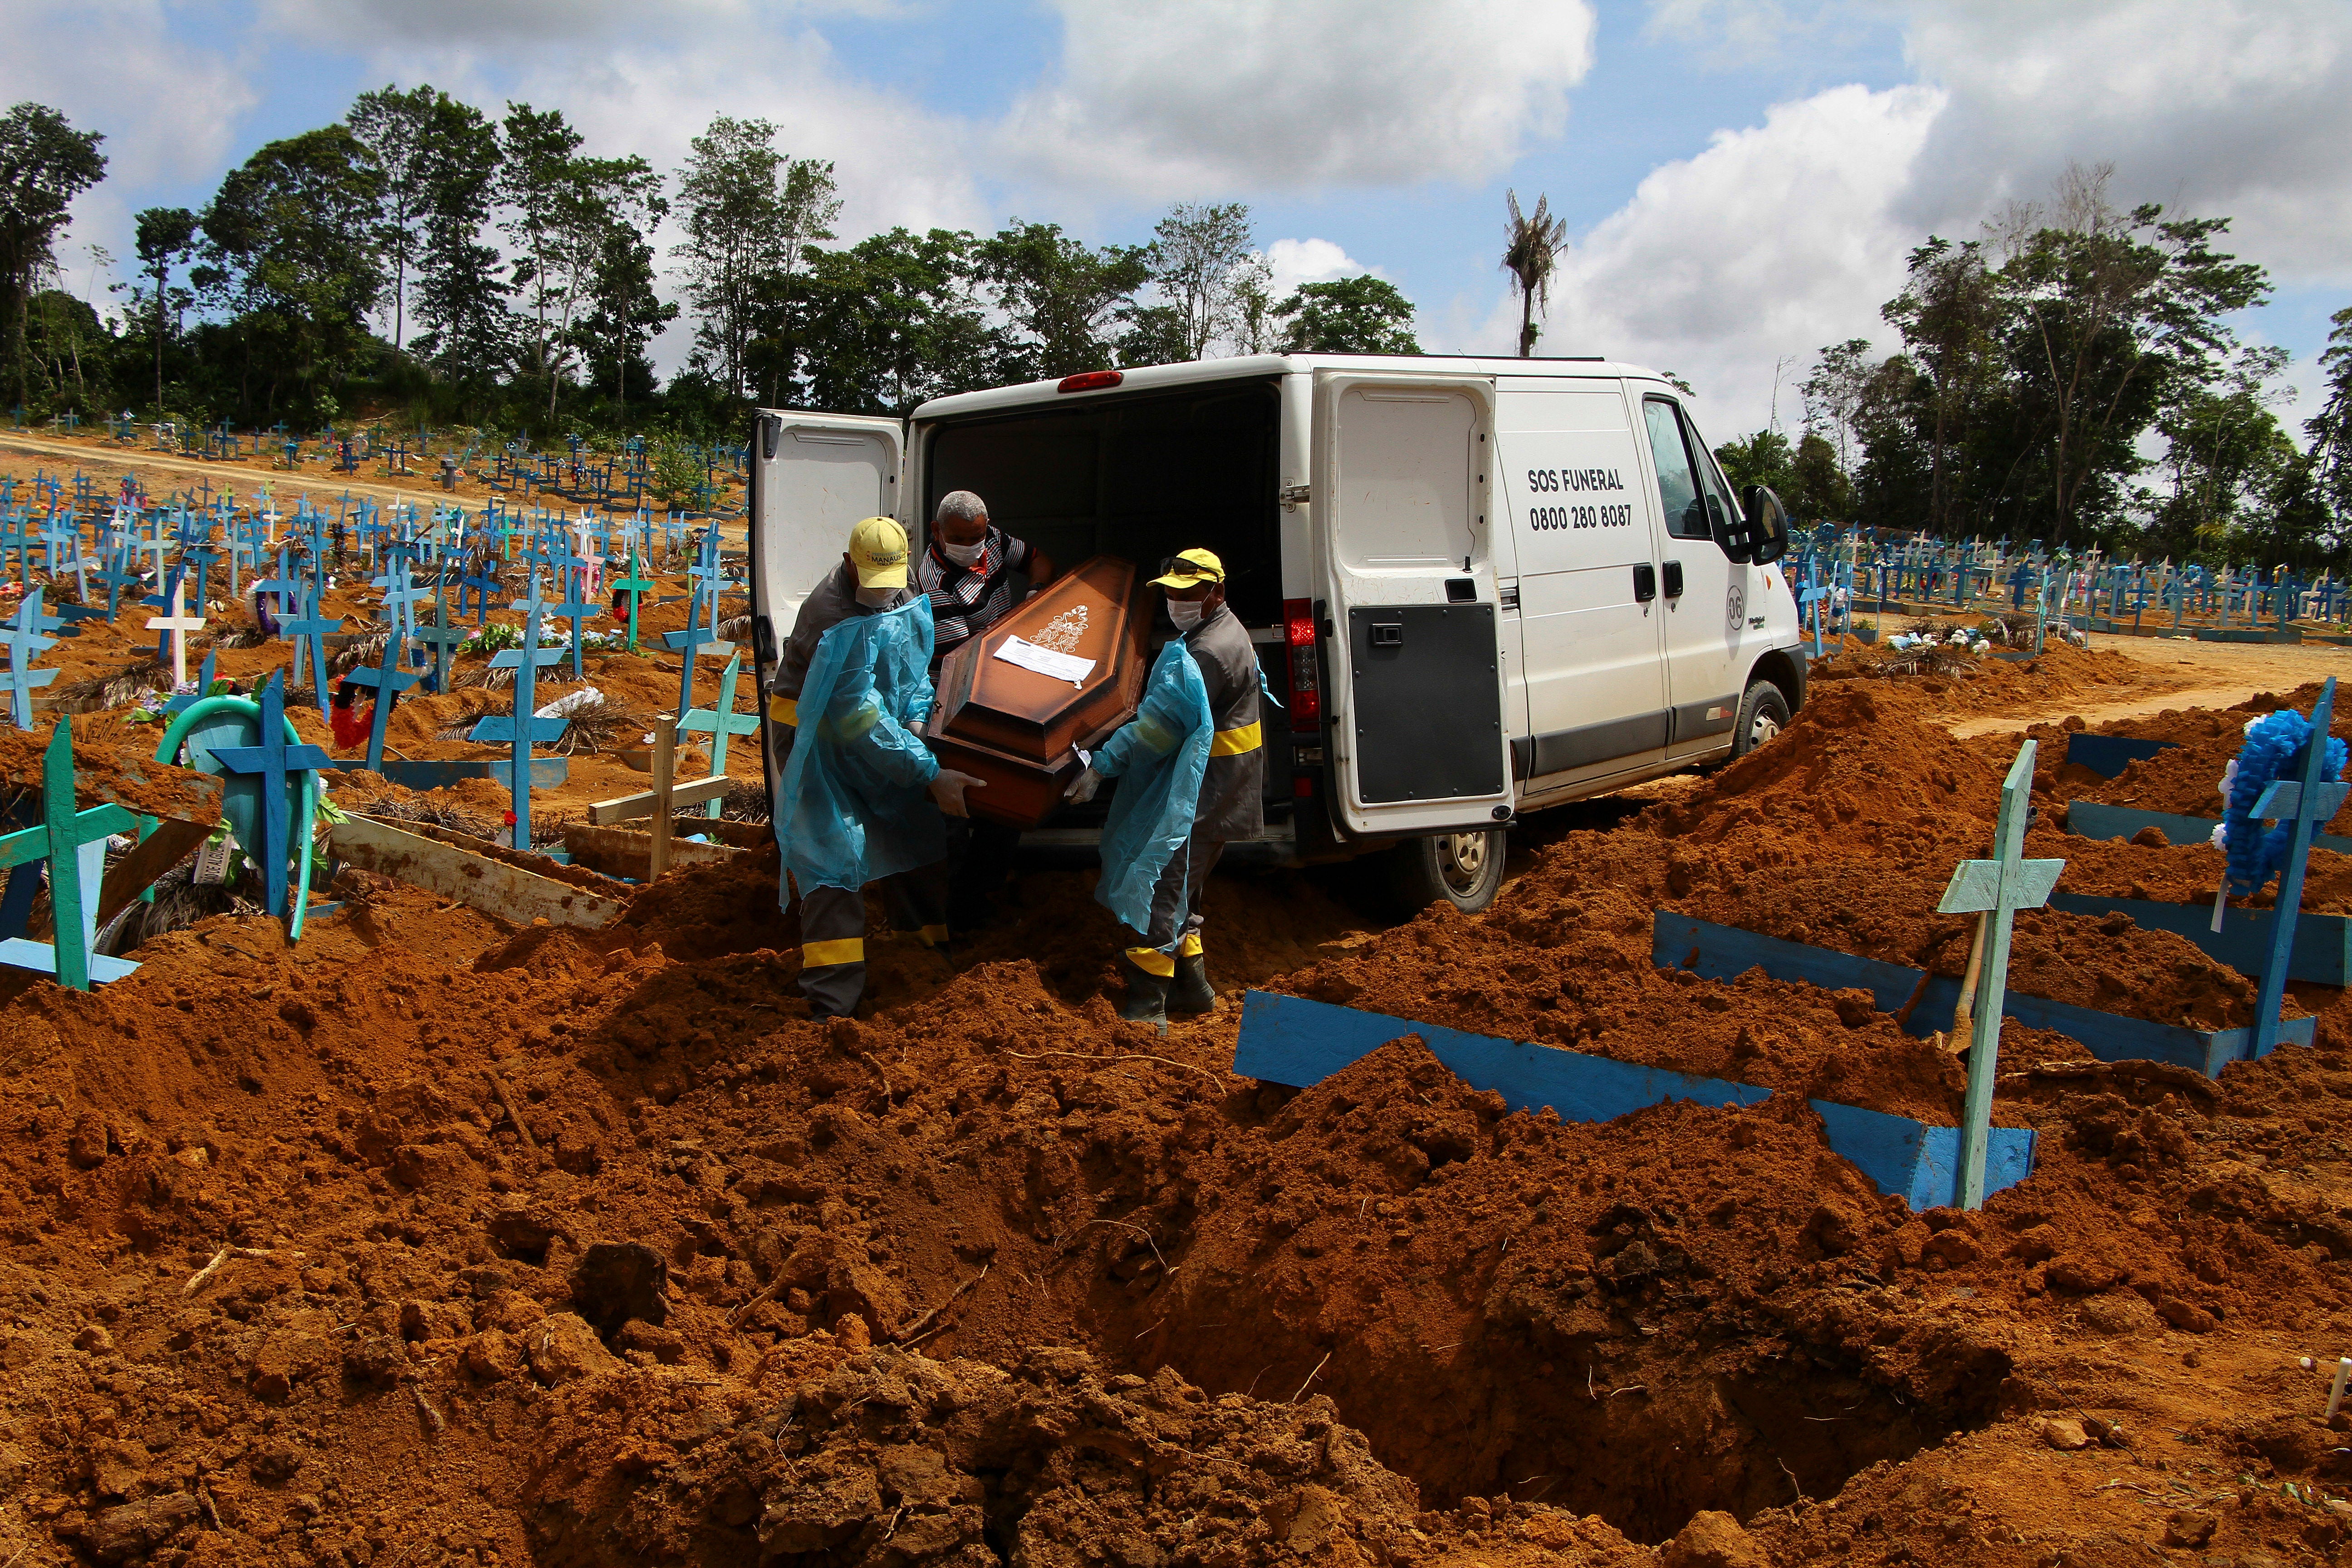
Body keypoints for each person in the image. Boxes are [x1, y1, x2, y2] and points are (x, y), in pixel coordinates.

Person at [769, 516, 984, 1017]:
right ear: (849, 564)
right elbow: (855, 717)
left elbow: (911, 665)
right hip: (818, 741)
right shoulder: (830, 617)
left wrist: (915, 717)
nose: (883, 595)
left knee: (914, 828)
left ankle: (924, 958)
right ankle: (832, 1001)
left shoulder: (903, 584)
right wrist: (928, 772)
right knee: (834, 854)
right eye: (873, 586)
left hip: (881, 732)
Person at [1065, 547, 1263, 1028]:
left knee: (1160, 888)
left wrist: (1100, 767)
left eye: (1187, 594)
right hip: (1220, 787)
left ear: (1216, 592)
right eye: (1171, 593)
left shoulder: (1208, 652)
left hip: (1205, 791)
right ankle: (1192, 989)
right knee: (1184, 890)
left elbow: (1159, 730)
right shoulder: (1220, 632)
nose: (1176, 602)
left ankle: (1146, 1005)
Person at [915, 490, 1059, 931]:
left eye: (977, 536)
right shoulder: (932, 584)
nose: (973, 545)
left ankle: (983, 899)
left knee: (1005, 805)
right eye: (961, 538)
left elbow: (1041, 561)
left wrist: (1033, 599)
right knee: (955, 817)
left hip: (1001, 690)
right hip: (957, 709)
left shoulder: (992, 540)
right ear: (938, 532)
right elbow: (968, 662)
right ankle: (956, 919)